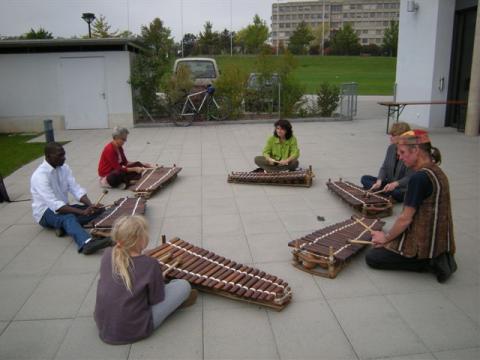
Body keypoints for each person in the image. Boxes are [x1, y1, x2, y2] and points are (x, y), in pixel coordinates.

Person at [365, 130, 456, 283]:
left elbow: (405, 220)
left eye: (402, 152)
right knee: (386, 234)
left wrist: (386, 240)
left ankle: (427, 262)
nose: (399, 157)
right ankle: (437, 257)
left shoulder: (419, 178)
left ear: (416, 150)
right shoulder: (437, 171)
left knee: (373, 257)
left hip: (423, 245)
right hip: (440, 241)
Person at [94, 215, 197, 345]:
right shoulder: (150, 264)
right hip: (133, 329)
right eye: (145, 233)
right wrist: (157, 281)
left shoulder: (108, 253)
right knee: (183, 285)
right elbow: (155, 299)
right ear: (139, 239)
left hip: (103, 323)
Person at [30, 142, 112, 255]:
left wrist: (90, 205)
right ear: (48, 156)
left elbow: (75, 189)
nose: (64, 158)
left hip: (63, 207)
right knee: (68, 217)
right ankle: (86, 243)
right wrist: (82, 212)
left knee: (99, 209)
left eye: (64, 154)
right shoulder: (39, 176)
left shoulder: (64, 168)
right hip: (45, 212)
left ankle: (64, 227)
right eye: (60, 155)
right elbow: (55, 205)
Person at [360, 122, 414, 202]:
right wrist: (379, 181)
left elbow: (410, 177)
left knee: (396, 193)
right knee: (364, 178)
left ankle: (384, 193)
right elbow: (384, 167)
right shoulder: (391, 148)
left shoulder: (410, 153)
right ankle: (384, 193)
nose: (390, 137)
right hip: (389, 184)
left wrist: (395, 184)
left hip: (402, 188)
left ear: (402, 137)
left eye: (393, 135)